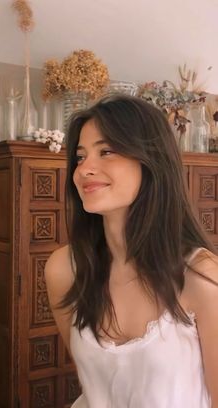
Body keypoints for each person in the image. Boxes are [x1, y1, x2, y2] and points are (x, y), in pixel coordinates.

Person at [45, 94, 218, 408]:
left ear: (151, 161)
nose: (84, 170)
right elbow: (97, 386)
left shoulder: (201, 276)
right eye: (80, 157)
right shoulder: (64, 269)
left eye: (106, 151)